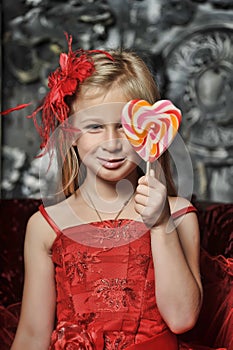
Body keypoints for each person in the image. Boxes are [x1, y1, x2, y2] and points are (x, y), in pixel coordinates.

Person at [9, 34, 203, 349]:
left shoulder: (179, 214)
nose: (112, 144)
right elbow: (32, 335)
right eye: (94, 126)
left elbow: (182, 318)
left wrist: (161, 224)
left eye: (125, 127)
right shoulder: (45, 226)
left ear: (149, 130)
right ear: (71, 134)